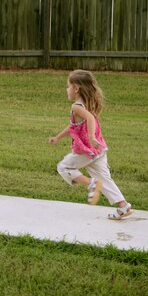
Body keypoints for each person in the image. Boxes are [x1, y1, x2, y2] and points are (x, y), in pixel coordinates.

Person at [48, 69, 133, 220]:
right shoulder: (87, 104)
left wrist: (91, 136)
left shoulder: (76, 106)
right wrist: (58, 137)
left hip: (87, 150)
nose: (66, 89)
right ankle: (123, 206)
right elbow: (74, 126)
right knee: (105, 179)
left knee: (63, 167)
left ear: (76, 88)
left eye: (68, 86)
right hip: (99, 150)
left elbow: (90, 120)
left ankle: (91, 184)